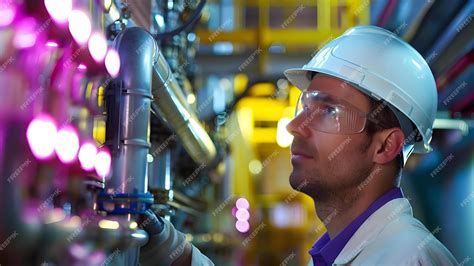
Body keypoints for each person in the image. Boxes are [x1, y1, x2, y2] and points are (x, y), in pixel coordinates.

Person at [137, 25, 458, 266]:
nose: (295, 125)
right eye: (304, 107)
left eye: (329, 111)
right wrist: (175, 250)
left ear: (385, 146)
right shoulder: (353, 250)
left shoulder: (405, 259)